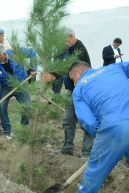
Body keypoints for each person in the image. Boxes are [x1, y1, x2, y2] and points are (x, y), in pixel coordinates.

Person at [58, 58, 129, 193]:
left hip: (116, 126)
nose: (74, 84)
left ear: (78, 72)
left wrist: (104, 136)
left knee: (96, 167)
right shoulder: (113, 68)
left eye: (73, 80)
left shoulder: (79, 89)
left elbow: (89, 122)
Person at [40, 28, 94, 157]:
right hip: (71, 91)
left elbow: (72, 68)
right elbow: (59, 65)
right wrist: (51, 74)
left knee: (86, 122)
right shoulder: (66, 49)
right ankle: (67, 148)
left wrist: (55, 74)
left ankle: (87, 154)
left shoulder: (79, 49)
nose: (62, 44)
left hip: (83, 92)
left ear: (70, 36)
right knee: (68, 120)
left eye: (63, 40)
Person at [0, 45, 37, 139]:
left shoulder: (16, 51)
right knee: (2, 106)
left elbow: (32, 54)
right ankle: (7, 130)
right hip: (7, 86)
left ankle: (24, 128)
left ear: (4, 54)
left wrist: (33, 69)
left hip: (21, 84)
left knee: (26, 106)